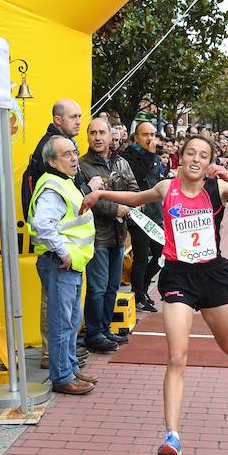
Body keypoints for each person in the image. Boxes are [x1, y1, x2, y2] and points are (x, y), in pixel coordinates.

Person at [79, 136, 228, 455]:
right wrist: (100, 193)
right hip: (178, 278)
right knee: (177, 357)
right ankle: (172, 436)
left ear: (210, 160)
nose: (196, 159)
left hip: (212, 277)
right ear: (180, 157)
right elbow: (136, 197)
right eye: (190, 153)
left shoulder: (218, 189)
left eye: (203, 155)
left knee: (227, 345)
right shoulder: (166, 187)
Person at [21, 99, 101, 370]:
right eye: (73, 116)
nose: (79, 121)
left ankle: (68, 368)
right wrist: (63, 251)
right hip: (59, 257)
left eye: (74, 153)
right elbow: (44, 221)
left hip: (70, 258)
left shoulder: (61, 170)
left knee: (68, 318)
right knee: (59, 317)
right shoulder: (52, 173)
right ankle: (60, 369)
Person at [78, 119, 139, 353]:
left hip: (119, 234)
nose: (97, 137)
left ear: (111, 136)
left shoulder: (122, 163)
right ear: (87, 136)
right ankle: (93, 333)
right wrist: (117, 209)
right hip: (96, 235)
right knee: (97, 287)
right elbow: (87, 201)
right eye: (93, 132)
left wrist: (133, 207)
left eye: (102, 132)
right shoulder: (82, 166)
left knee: (113, 285)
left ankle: (104, 329)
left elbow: (134, 190)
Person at [122, 122, 163, 313]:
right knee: (141, 257)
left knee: (161, 254)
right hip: (138, 215)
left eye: (153, 134)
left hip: (155, 213)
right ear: (135, 137)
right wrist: (149, 155)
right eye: (145, 134)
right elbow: (137, 178)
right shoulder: (129, 156)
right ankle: (138, 295)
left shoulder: (154, 156)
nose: (150, 139)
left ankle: (143, 289)